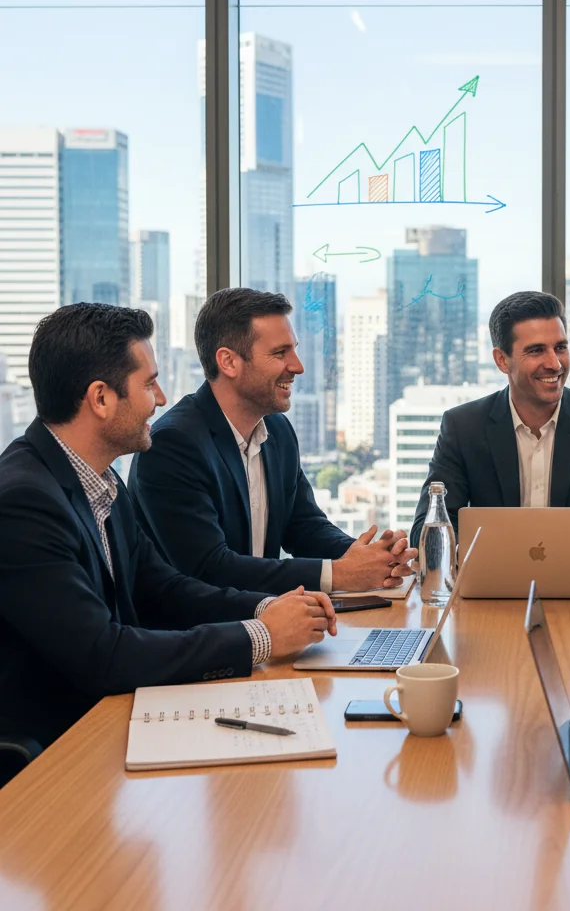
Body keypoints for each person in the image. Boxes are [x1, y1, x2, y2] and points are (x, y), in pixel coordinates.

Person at [0, 304, 337, 753]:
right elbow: (103, 654)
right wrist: (261, 638)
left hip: (110, 723)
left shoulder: (100, 480)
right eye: (148, 383)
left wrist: (271, 608)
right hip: (57, 752)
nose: (160, 398)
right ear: (100, 398)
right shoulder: (25, 501)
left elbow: (165, 589)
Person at [129, 288, 415, 595]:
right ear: (228, 362)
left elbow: (305, 528)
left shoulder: (277, 431)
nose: (298, 366)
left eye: (293, 350)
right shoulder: (173, 445)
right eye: (280, 353)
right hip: (195, 636)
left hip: (266, 624)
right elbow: (210, 569)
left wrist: (372, 557)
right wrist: (340, 574)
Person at [409, 291, 570, 563]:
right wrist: (470, 559)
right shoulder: (463, 427)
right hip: (490, 586)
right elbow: (427, 527)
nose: (555, 363)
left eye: (560, 347)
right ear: (502, 360)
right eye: (537, 350)